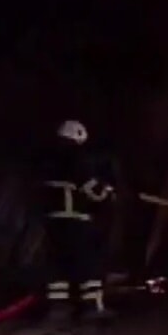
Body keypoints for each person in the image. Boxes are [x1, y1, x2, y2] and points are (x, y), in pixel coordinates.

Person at [40, 119, 116, 322]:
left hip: (53, 222)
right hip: (76, 220)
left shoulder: (48, 160)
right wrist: (109, 192)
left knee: (59, 265)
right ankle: (93, 307)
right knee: (89, 263)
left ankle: (58, 307)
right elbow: (92, 189)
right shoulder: (75, 159)